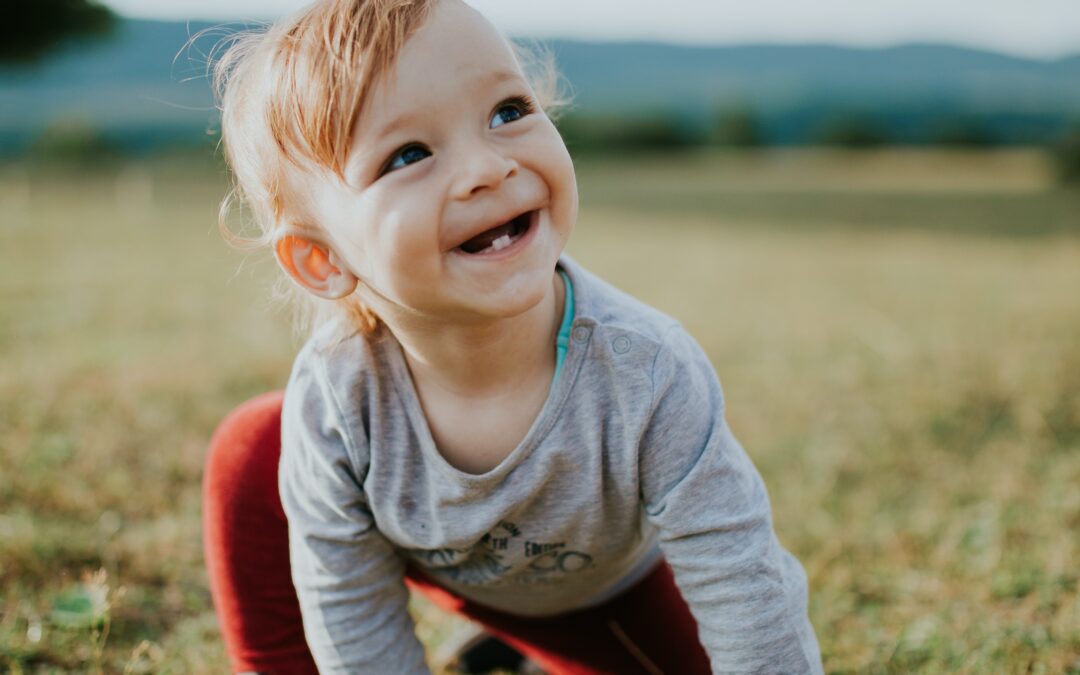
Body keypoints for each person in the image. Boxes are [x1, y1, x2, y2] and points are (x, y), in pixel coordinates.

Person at [202, 0, 824, 673]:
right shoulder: (339, 394)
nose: (487, 168)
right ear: (322, 261)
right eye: (409, 153)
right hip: (432, 565)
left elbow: (744, 583)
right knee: (255, 444)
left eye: (507, 112)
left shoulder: (648, 372)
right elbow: (347, 606)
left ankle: (519, 649)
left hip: (599, 595)